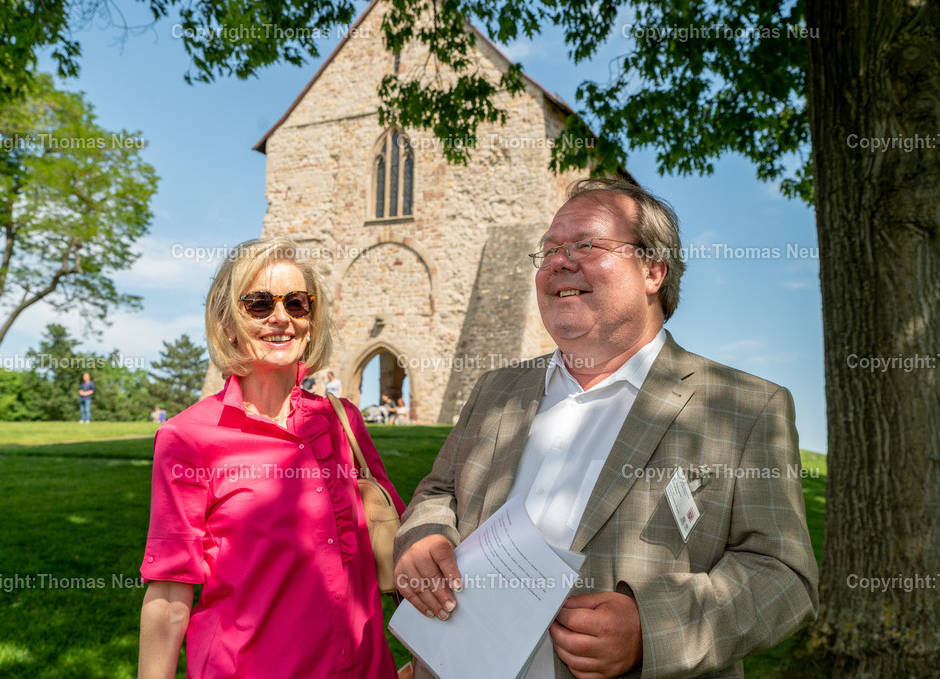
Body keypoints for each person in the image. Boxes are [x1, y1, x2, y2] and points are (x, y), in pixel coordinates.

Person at [394, 178, 819, 679]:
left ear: (653, 270)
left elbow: (784, 576)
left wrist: (651, 628)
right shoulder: (496, 389)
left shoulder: (746, 407)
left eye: (586, 246)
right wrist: (424, 536)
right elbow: (439, 491)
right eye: (549, 250)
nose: (559, 261)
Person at [139, 237, 405, 679]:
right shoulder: (186, 438)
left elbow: (402, 540)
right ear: (228, 323)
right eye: (259, 304)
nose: (281, 318)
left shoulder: (343, 422)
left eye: (297, 304)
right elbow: (169, 595)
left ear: (311, 321)